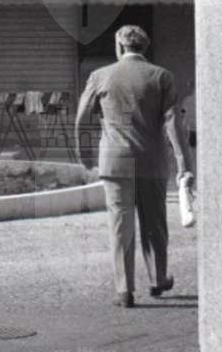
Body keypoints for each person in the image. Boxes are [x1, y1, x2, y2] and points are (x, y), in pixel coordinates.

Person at [73, 25, 192, 308]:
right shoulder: (161, 76)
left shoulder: (100, 76)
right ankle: (158, 279)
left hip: (115, 162)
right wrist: (182, 162)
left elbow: (81, 118)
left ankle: (124, 290)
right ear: (146, 47)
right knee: (155, 223)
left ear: (119, 46)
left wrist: (85, 156)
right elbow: (172, 122)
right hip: (152, 160)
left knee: (120, 224)